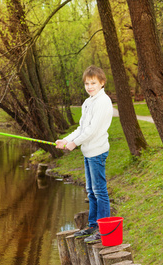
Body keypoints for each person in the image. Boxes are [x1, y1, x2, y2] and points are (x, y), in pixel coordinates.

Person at [55, 65, 113, 243]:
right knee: (91, 190)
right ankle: (93, 225)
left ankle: (104, 230)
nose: (89, 86)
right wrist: (65, 140)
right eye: (87, 83)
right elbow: (82, 128)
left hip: (97, 151)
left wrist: (74, 143)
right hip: (88, 152)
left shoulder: (103, 102)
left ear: (102, 83)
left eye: (93, 83)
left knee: (100, 190)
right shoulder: (88, 102)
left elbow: (92, 130)